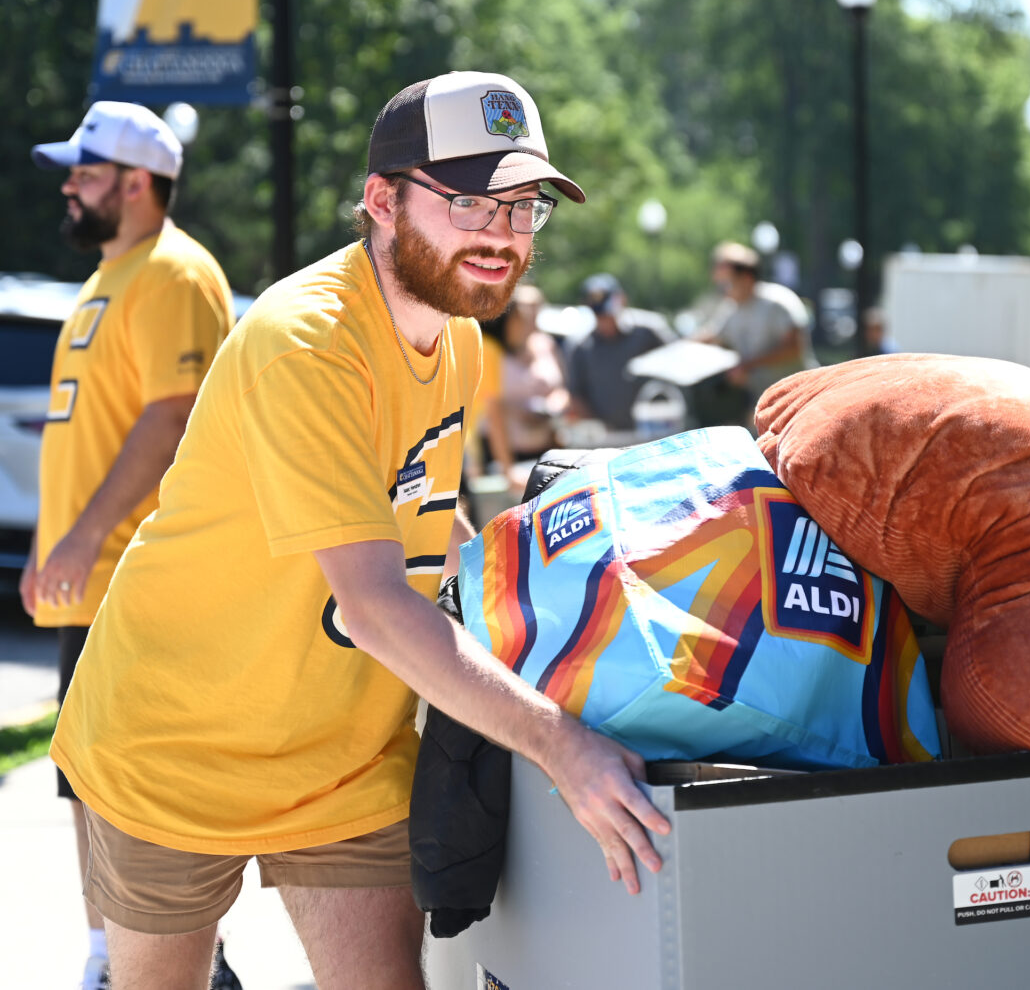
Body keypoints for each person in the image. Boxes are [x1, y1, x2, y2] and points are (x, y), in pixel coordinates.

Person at [48, 71, 669, 990]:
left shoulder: (455, 335)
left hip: (343, 760)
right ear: (382, 201)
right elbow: (375, 606)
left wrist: (566, 603)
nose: (502, 233)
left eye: (522, 207)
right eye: (468, 202)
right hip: (174, 743)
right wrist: (558, 742)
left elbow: (430, 517)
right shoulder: (307, 341)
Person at [22, 101, 240, 990]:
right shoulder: (111, 274)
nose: (69, 188)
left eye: (85, 172)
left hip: (143, 579)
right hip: (96, 579)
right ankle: (110, 956)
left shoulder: (173, 272)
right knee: (88, 781)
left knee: (146, 790)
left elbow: (172, 414)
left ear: (138, 183)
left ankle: (186, 964)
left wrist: (80, 540)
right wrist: (56, 550)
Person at [697, 241, 816, 425]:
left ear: (746, 277)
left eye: (726, 283)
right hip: (762, 406)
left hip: (798, 401)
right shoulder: (731, 309)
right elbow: (713, 337)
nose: (723, 291)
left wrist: (748, 365)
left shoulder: (777, 302)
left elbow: (794, 348)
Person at [477, 283, 569, 492]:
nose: (529, 320)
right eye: (522, 315)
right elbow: (493, 413)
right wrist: (508, 471)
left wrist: (552, 408)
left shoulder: (545, 344)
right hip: (500, 456)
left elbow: (562, 389)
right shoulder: (489, 351)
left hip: (545, 447)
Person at [565, 272, 674, 430]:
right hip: (609, 436)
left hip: (656, 429)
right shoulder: (581, 347)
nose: (605, 320)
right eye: (600, 315)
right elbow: (576, 395)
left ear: (622, 299)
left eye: (608, 313)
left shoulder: (648, 332)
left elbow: (679, 363)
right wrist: (599, 428)